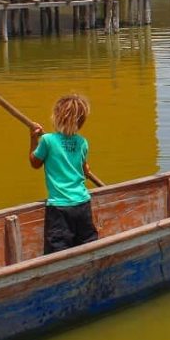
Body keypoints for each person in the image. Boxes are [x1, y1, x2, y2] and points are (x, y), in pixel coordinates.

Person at [29, 94, 104, 254]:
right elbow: (85, 170)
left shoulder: (47, 141)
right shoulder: (83, 142)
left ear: (57, 117)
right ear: (81, 121)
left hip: (60, 208)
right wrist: (86, 169)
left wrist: (33, 139)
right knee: (87, 246)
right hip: (82, 204)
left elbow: (35, 163)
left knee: (57, 251)